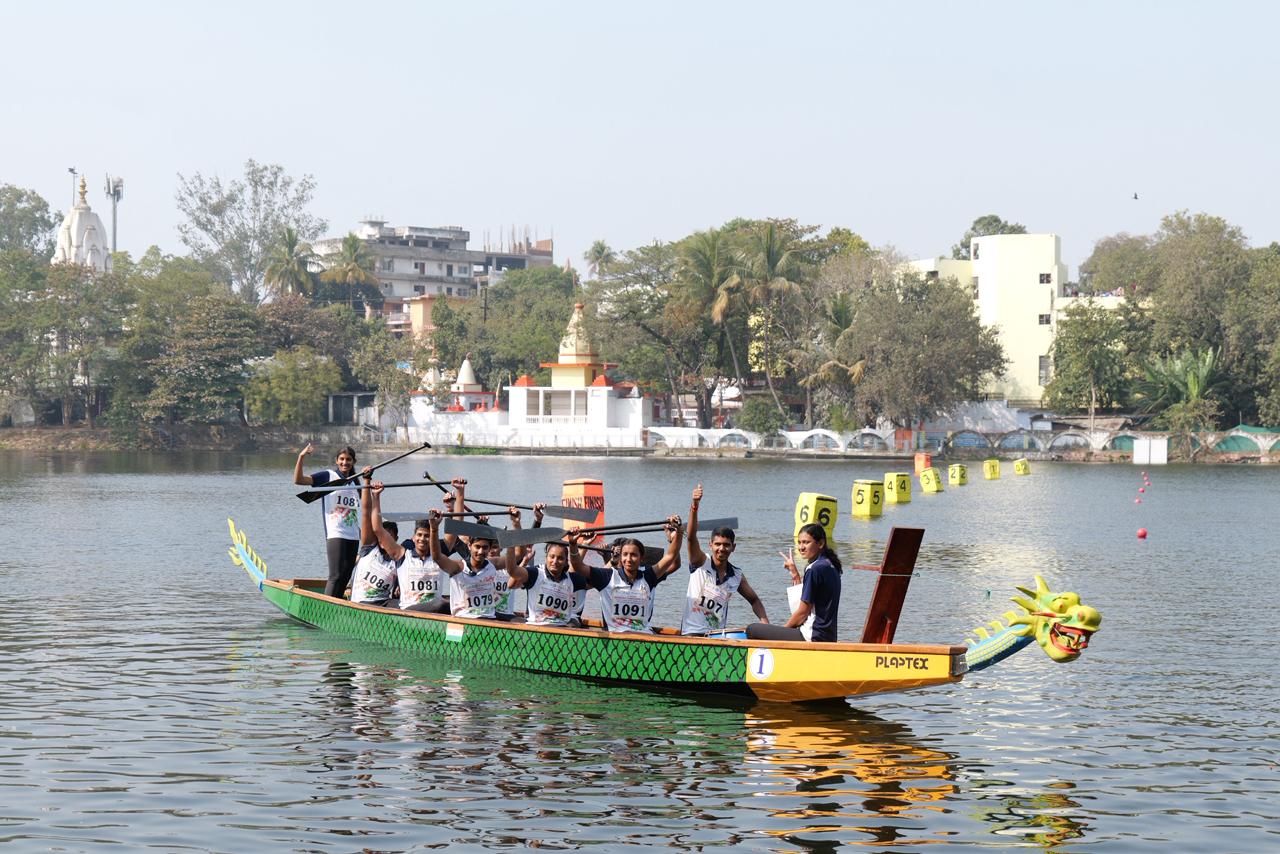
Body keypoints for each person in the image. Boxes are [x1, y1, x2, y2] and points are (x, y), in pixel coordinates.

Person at [681, 484, 768, 635]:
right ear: (710, 545)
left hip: (717, 636)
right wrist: (694, 506)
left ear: (733, 547)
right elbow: (691, 536)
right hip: (692, 634)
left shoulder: (736, 575)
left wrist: (765, 623)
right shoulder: (700, 561)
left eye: (726, 545)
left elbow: (754, 600)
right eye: (718, 544)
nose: (721, 549)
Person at [574, 516, 682, 633]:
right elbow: (577, 566)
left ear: (642, 559)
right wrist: (573, 543)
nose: (629, 559)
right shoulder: (607, 576)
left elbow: (671, 556)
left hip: (644, 635)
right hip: (616, 636)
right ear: (620, 557)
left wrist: (678, 532)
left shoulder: (649, 575)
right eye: (625, 554)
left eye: (634, 555)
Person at [746, 523, 843, 642]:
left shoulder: (814, 569)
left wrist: (780, 634)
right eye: (799, 542)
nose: (801, 547)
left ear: (821, 543)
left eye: (806, 542)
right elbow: (808, 605)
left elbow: (802, 613)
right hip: (828, 636)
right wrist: (794, 574)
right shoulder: (831, 565)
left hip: (812, 635)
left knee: (752, 629)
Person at [294, 443, 365, 598]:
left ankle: (337, 607)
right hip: (336, 533)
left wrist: (368, 480)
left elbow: (365, 507)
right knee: (336, 575)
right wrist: (301, 456)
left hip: (353, 535)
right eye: (342, 459)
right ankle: (326, 609)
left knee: (346, 576)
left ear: (354, 462)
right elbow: (298, 480)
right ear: (336, 460)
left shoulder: (355, 482)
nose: (345, 462)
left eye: (348, 460)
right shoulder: (328, 476)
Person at [428, 506, 525, 620]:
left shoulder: (493, 564)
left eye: (485, 548)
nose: (480, 551)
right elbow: (437, 557)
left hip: (489, 619)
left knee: (521, 621)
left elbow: (519, 554)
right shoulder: (458, 567)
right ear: (469, 546)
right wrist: (434, 529)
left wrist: (516, 524)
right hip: (464, 619)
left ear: (489, 549)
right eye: (477, 547)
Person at [349, 477, 405, 607]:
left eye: (389, 537)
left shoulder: (400, 559)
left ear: (396, 539)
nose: (384, 541)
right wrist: (368, 484)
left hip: (383, 605)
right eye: (382, 536)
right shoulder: (369, 547)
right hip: (360, 604)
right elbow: (366, 512)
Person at [512, 534, 589, 628]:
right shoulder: (535, 573)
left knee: (572, 625)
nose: (555, 561)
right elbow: (511, 583)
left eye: (560, 558)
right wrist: (523, 560)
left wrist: (583, 544)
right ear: (546, 557)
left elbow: (600, 577)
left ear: (566, 562)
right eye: (552, 557)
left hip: (561, 626)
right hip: (536, 626)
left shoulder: (573, 578)